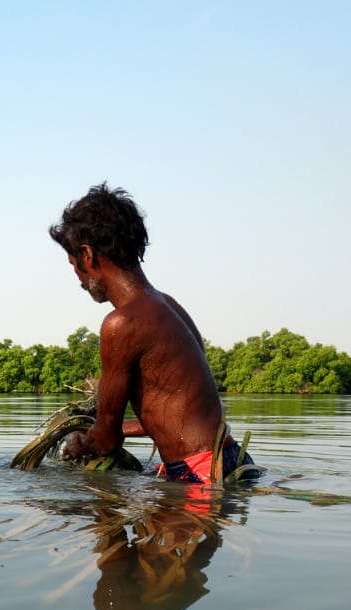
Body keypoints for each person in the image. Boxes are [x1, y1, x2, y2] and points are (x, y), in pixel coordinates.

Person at [51, 183, 256, 484]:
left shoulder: (120, 324)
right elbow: (173, 414)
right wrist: (103, 428)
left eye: (73, 264)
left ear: (87, 255)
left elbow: (107, 440)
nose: (77, 278)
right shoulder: (168, 306)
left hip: (199, 474)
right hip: (230, 459)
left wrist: (77, 442)